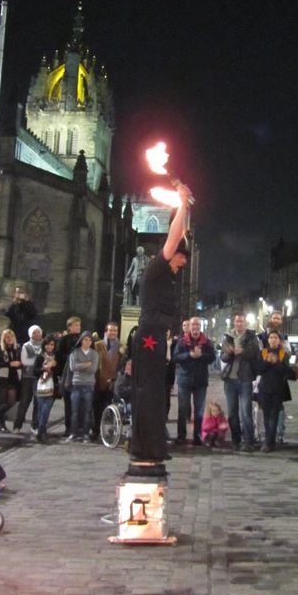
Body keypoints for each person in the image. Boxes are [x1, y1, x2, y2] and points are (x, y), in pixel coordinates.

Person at [130, 182, 191, 463]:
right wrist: (181, 203)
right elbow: (176, 234)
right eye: (182, 257)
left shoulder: (165, 274)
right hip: (148, 335)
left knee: (156, 393)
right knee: (150, 393)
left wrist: (184, 207)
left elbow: (181, 233)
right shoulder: (157, 267)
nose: (183, 263)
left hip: (155, 335)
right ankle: (146, 446)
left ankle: (152, 445)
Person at [173, 316, 216, 445]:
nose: (195, 327)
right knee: (182, 408)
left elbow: (212, 358)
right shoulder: (182, 342)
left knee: (199, 409)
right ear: (189, 327)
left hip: (200, 380)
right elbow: (176, 357)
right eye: (193, 325)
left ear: (200, 327)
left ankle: (197, 436)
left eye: (197, 325)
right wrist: (189, 355)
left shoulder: (207, 342)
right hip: (185, 380)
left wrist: (201, 355)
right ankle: (181, 436)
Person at [220, 313, 260, 452]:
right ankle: (236, 439)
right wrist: (230, 353)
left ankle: (248, 440)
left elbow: (253, 353)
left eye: (241, 321)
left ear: (245, 323)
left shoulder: (251, 337)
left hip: (245, 379)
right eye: (237, 321)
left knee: (246, 412)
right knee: (232, 412)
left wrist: (242, 351)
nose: (239, 324)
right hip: (230, 379)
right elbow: (223, 357)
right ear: (234, 322)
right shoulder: (228, 338)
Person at [253, 330, 292, 452]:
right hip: (264, 389)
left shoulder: (283, 354)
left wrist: (276, 363)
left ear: (279, 340)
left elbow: (287, 371)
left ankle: (270, 441)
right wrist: (268, 362)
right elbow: (258, 369)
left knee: (274, 416)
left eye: (276, 338)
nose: (273, 340)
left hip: (278, 389)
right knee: (266, 415)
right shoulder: (263, 353)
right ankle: (269, 441)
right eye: (271, 337)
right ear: (268, 340)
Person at [92, 321, 123, 439]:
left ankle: (111, 431)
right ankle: (95, 430)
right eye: (110, 330)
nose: (113, 333)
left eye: (115, 330)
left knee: (112, 409)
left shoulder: (121, 347)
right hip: (99, 382)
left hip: (113, 383)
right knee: (97, 408)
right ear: (106, 332)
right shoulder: (97, 345)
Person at [0, 329, 21, 433]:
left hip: (13, 377)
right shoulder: (0, 349)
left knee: (11, 400)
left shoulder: (17, 349)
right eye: (7, 337)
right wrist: (9, 364)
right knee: (2, 400)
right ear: (4, 338)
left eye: (11, 337)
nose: (9, 339)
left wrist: (19, 364)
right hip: (2, 377)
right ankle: (2, 425)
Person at [68, 329, 99, 442]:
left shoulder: (94, 354)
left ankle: (85, 433)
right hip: (76, 384)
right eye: (85, 340)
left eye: (89, 340)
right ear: (81, 341)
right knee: (75, 411)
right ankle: (73, 433)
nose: (87, 342)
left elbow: (93, 369)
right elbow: (73, 368)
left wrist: (81, 366)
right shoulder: (75, 353)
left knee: (87, 412)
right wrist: (85, 364)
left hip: (89, 384)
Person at [13, 324, 43, 434]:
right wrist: (39, 362)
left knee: (38, 403)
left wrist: (35, 362)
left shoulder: (44, 345)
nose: (37, 334)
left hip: (40, 377)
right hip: (28, 377)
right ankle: (17, 425)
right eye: (34, 332)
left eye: (38, 332)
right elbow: (25, 361)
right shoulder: (26, 346)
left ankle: (35, 425)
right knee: (24, 401)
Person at [55, 316, 82, 437]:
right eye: (75, 325)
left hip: (80, 375)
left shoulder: (83, 339)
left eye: (79, 325)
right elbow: (59, 356)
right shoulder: (64, 340)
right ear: (69, 327)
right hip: (67, 374)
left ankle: (78, 428)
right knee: (68, 404)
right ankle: (68, 427)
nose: (78, 328)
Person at [33, 335, 59, 443]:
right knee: (41, 408)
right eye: (47, 344)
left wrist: (53, 368)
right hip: (40, 385)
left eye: (52, 344)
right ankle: (41, 430)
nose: (49, 347)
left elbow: (59, 372)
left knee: (46, 408)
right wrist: (44, 368)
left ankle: (40, 429)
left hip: (52, 385)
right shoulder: (40, 357)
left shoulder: (56, 357)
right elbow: (34, 371)